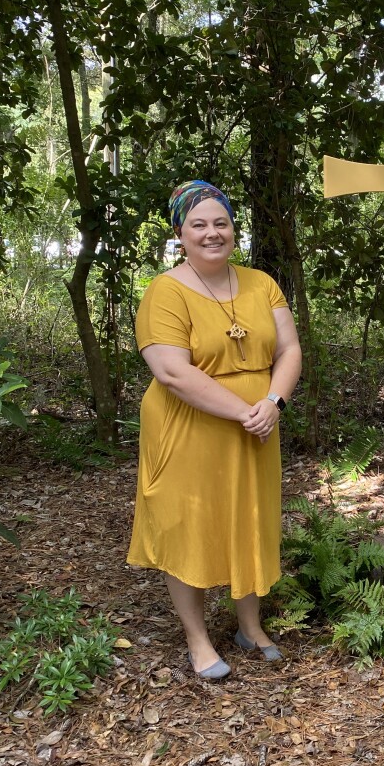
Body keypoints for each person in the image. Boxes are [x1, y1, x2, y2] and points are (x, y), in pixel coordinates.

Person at [127, 180, 302, 679]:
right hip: (189, 428)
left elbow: (289, 350)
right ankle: (198, 639)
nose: (212, 233)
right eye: (198, 224)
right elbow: (172, 372)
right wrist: (246, 411)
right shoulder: (165, 291)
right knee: (189, 526)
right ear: (180, 233)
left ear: (233, 228)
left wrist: (271, 402)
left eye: (220, 222)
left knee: (247, 517)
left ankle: (249, 625)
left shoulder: (261, 283)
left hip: (258, 424)